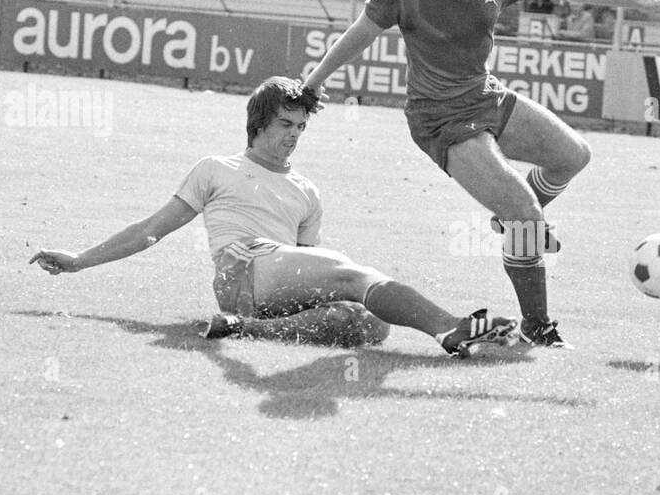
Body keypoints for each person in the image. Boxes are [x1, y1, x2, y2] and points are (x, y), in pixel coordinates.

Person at [296, 0, 660, 347]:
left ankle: (514, 222)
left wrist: (641, 1)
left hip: (485, 96)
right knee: (525, 213)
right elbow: (361, 33)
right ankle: (537, 327)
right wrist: (314, 81)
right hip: (439, 118)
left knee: (573, 156)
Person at [29, 77, 518, 358]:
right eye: (285, 123)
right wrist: (80, 260)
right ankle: (449, 328)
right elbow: (150, 230)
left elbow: (307, 265)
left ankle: (242, 329)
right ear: (258, 123)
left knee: (369, 325)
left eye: (301, 126)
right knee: (354, 275)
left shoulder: (307, 190)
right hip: (241, 266)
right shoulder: (216, 168)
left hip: (276, 284)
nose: (294, 135)